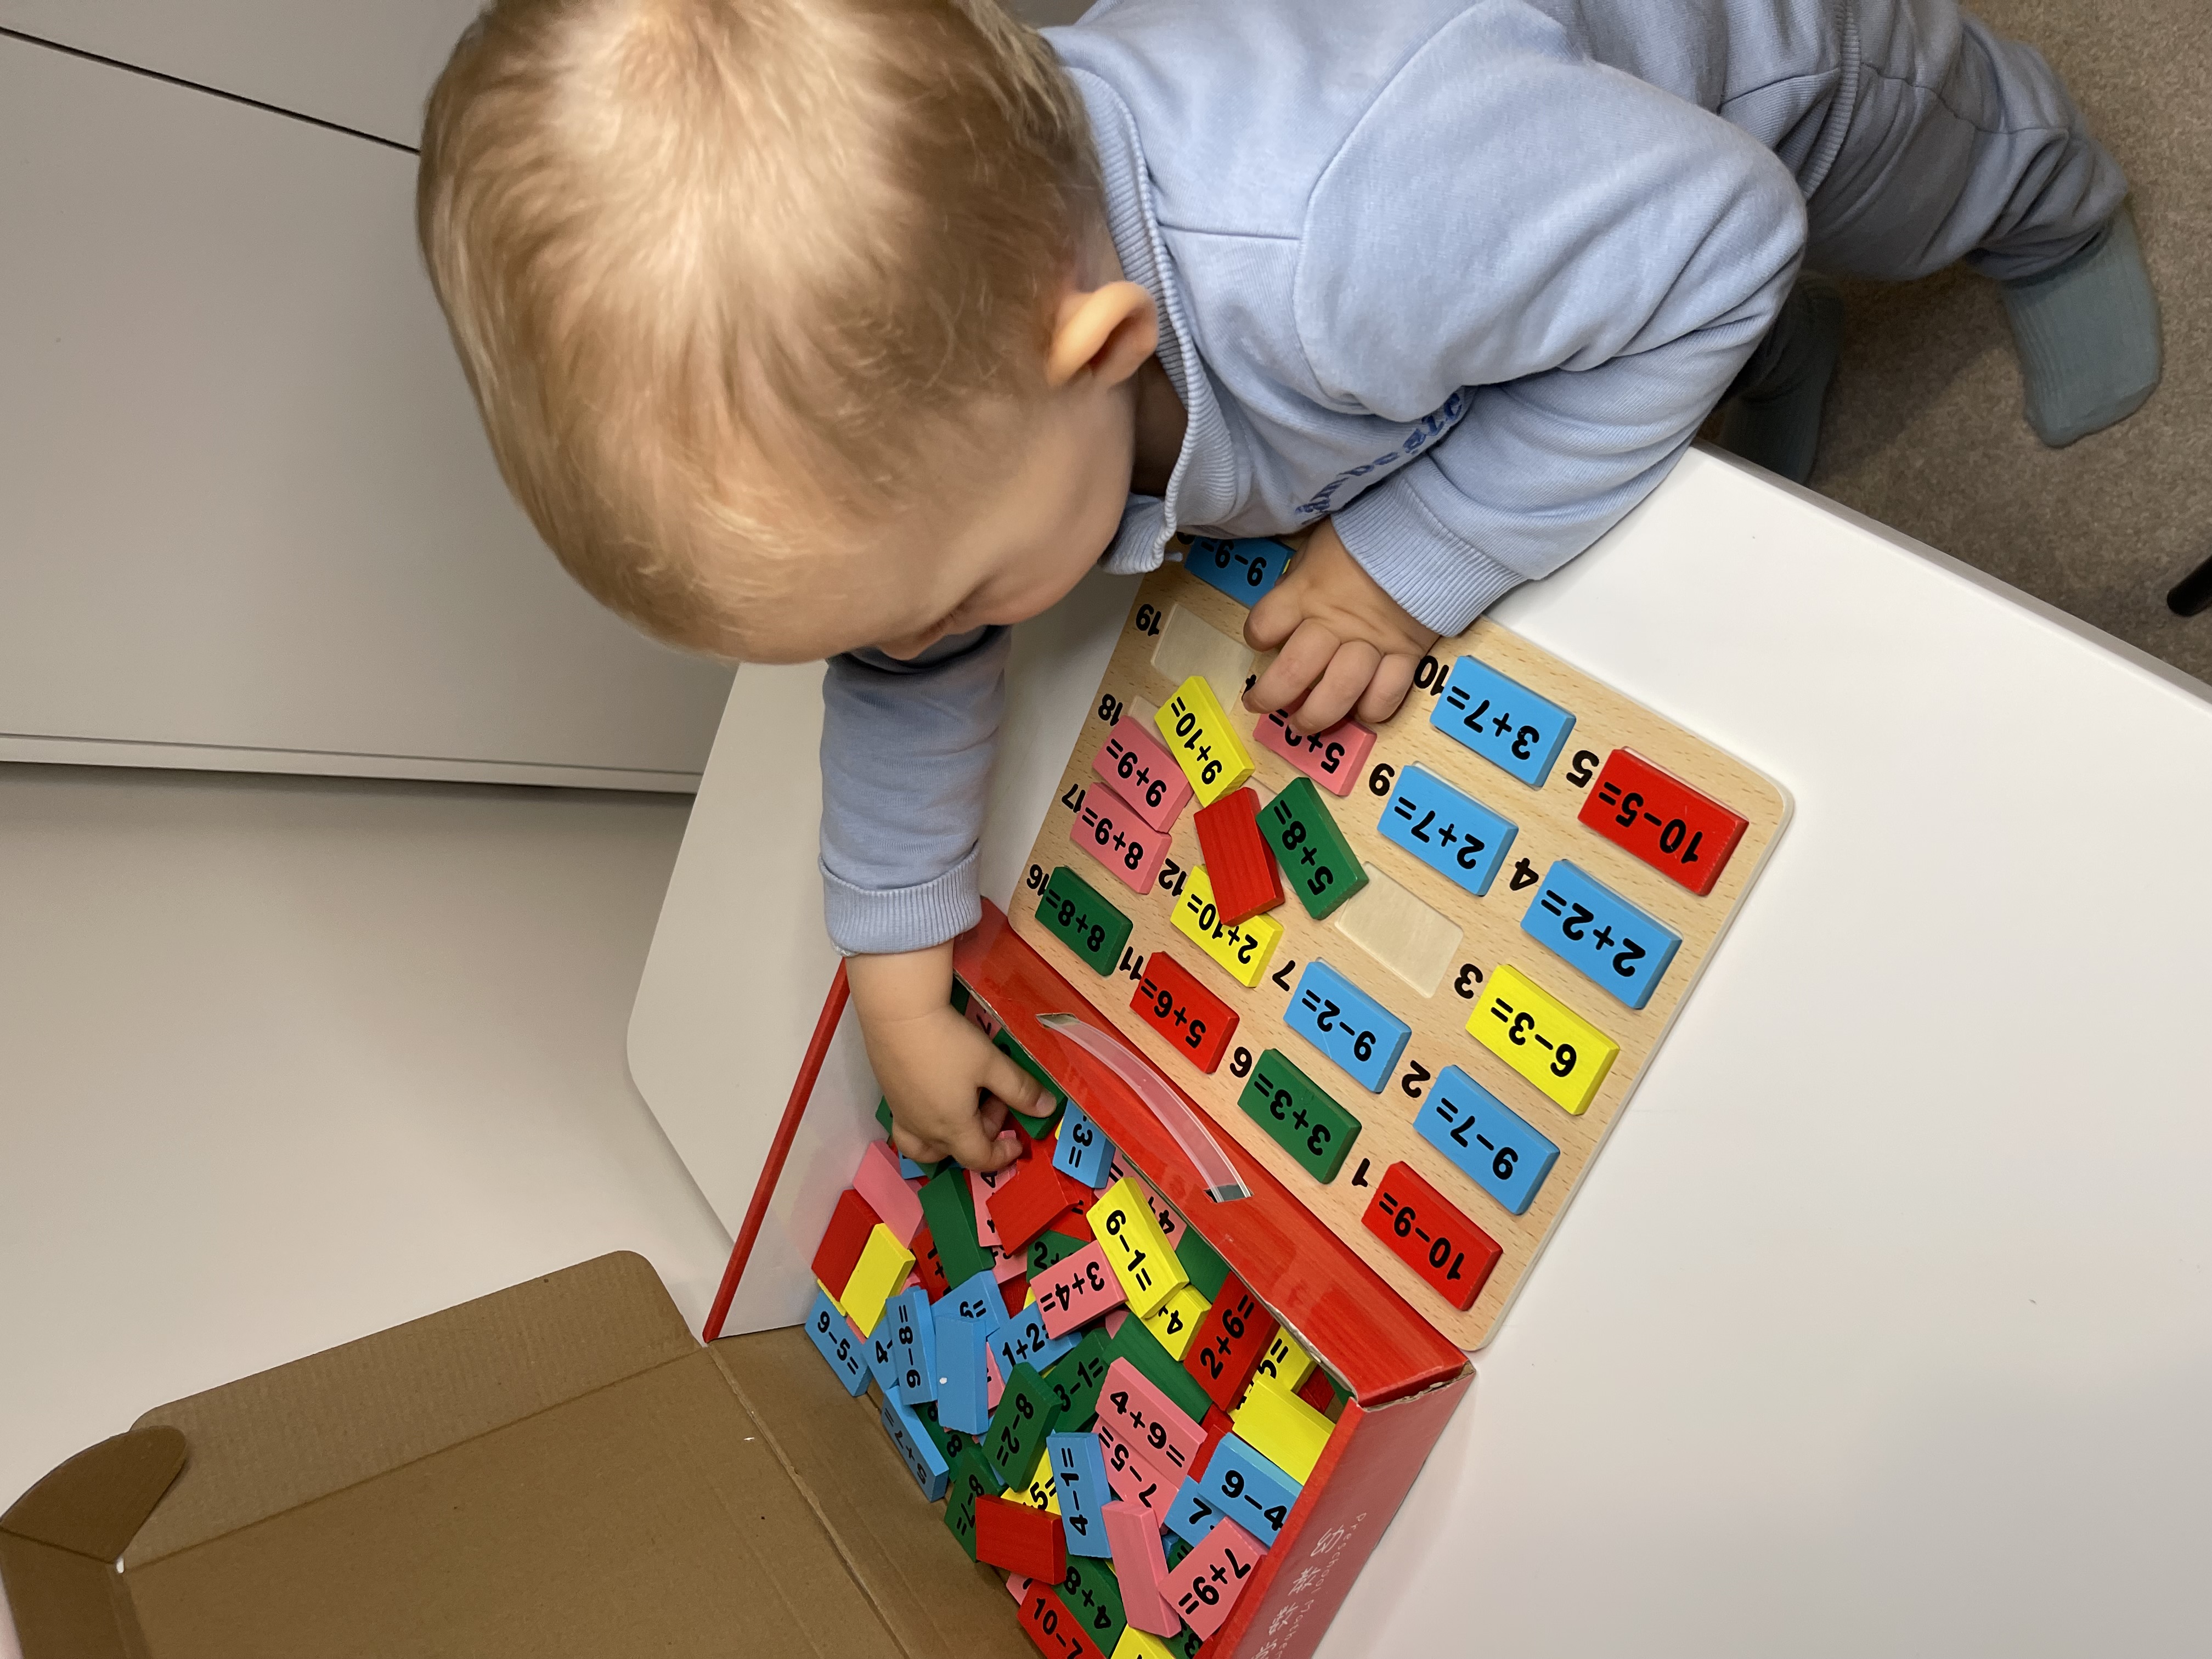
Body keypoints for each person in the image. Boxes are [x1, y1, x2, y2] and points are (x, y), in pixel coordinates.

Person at [417, 0, 2159, 1169]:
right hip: (1544, 201)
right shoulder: (971, 410)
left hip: (1748, 70)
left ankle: (2054, 208)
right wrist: (894, 960)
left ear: (1097, 349)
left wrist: (1406, 571)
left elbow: (1728, 229)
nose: (912, 656)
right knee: (1616, 325)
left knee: (1919, 158)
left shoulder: (1342, 249)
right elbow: (902, 664)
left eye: (942, 605)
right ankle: (1723, 372)